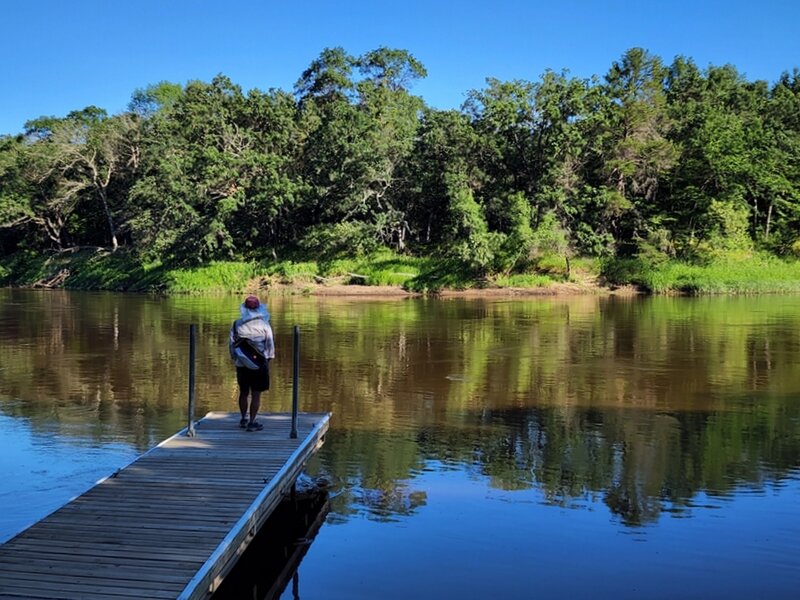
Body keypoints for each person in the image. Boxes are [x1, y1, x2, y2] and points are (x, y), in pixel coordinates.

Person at [229, 295, 275, 431]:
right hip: (259, 364)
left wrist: (235, 359)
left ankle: (243, 418)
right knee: (256, 394)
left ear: (244, 308)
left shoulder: (237, 324)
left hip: (241, 364)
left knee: (243, 392)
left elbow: (232, 345)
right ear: (260, 309)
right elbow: (270, 347)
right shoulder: (265, 325)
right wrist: (267, 361)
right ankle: (252, 421)